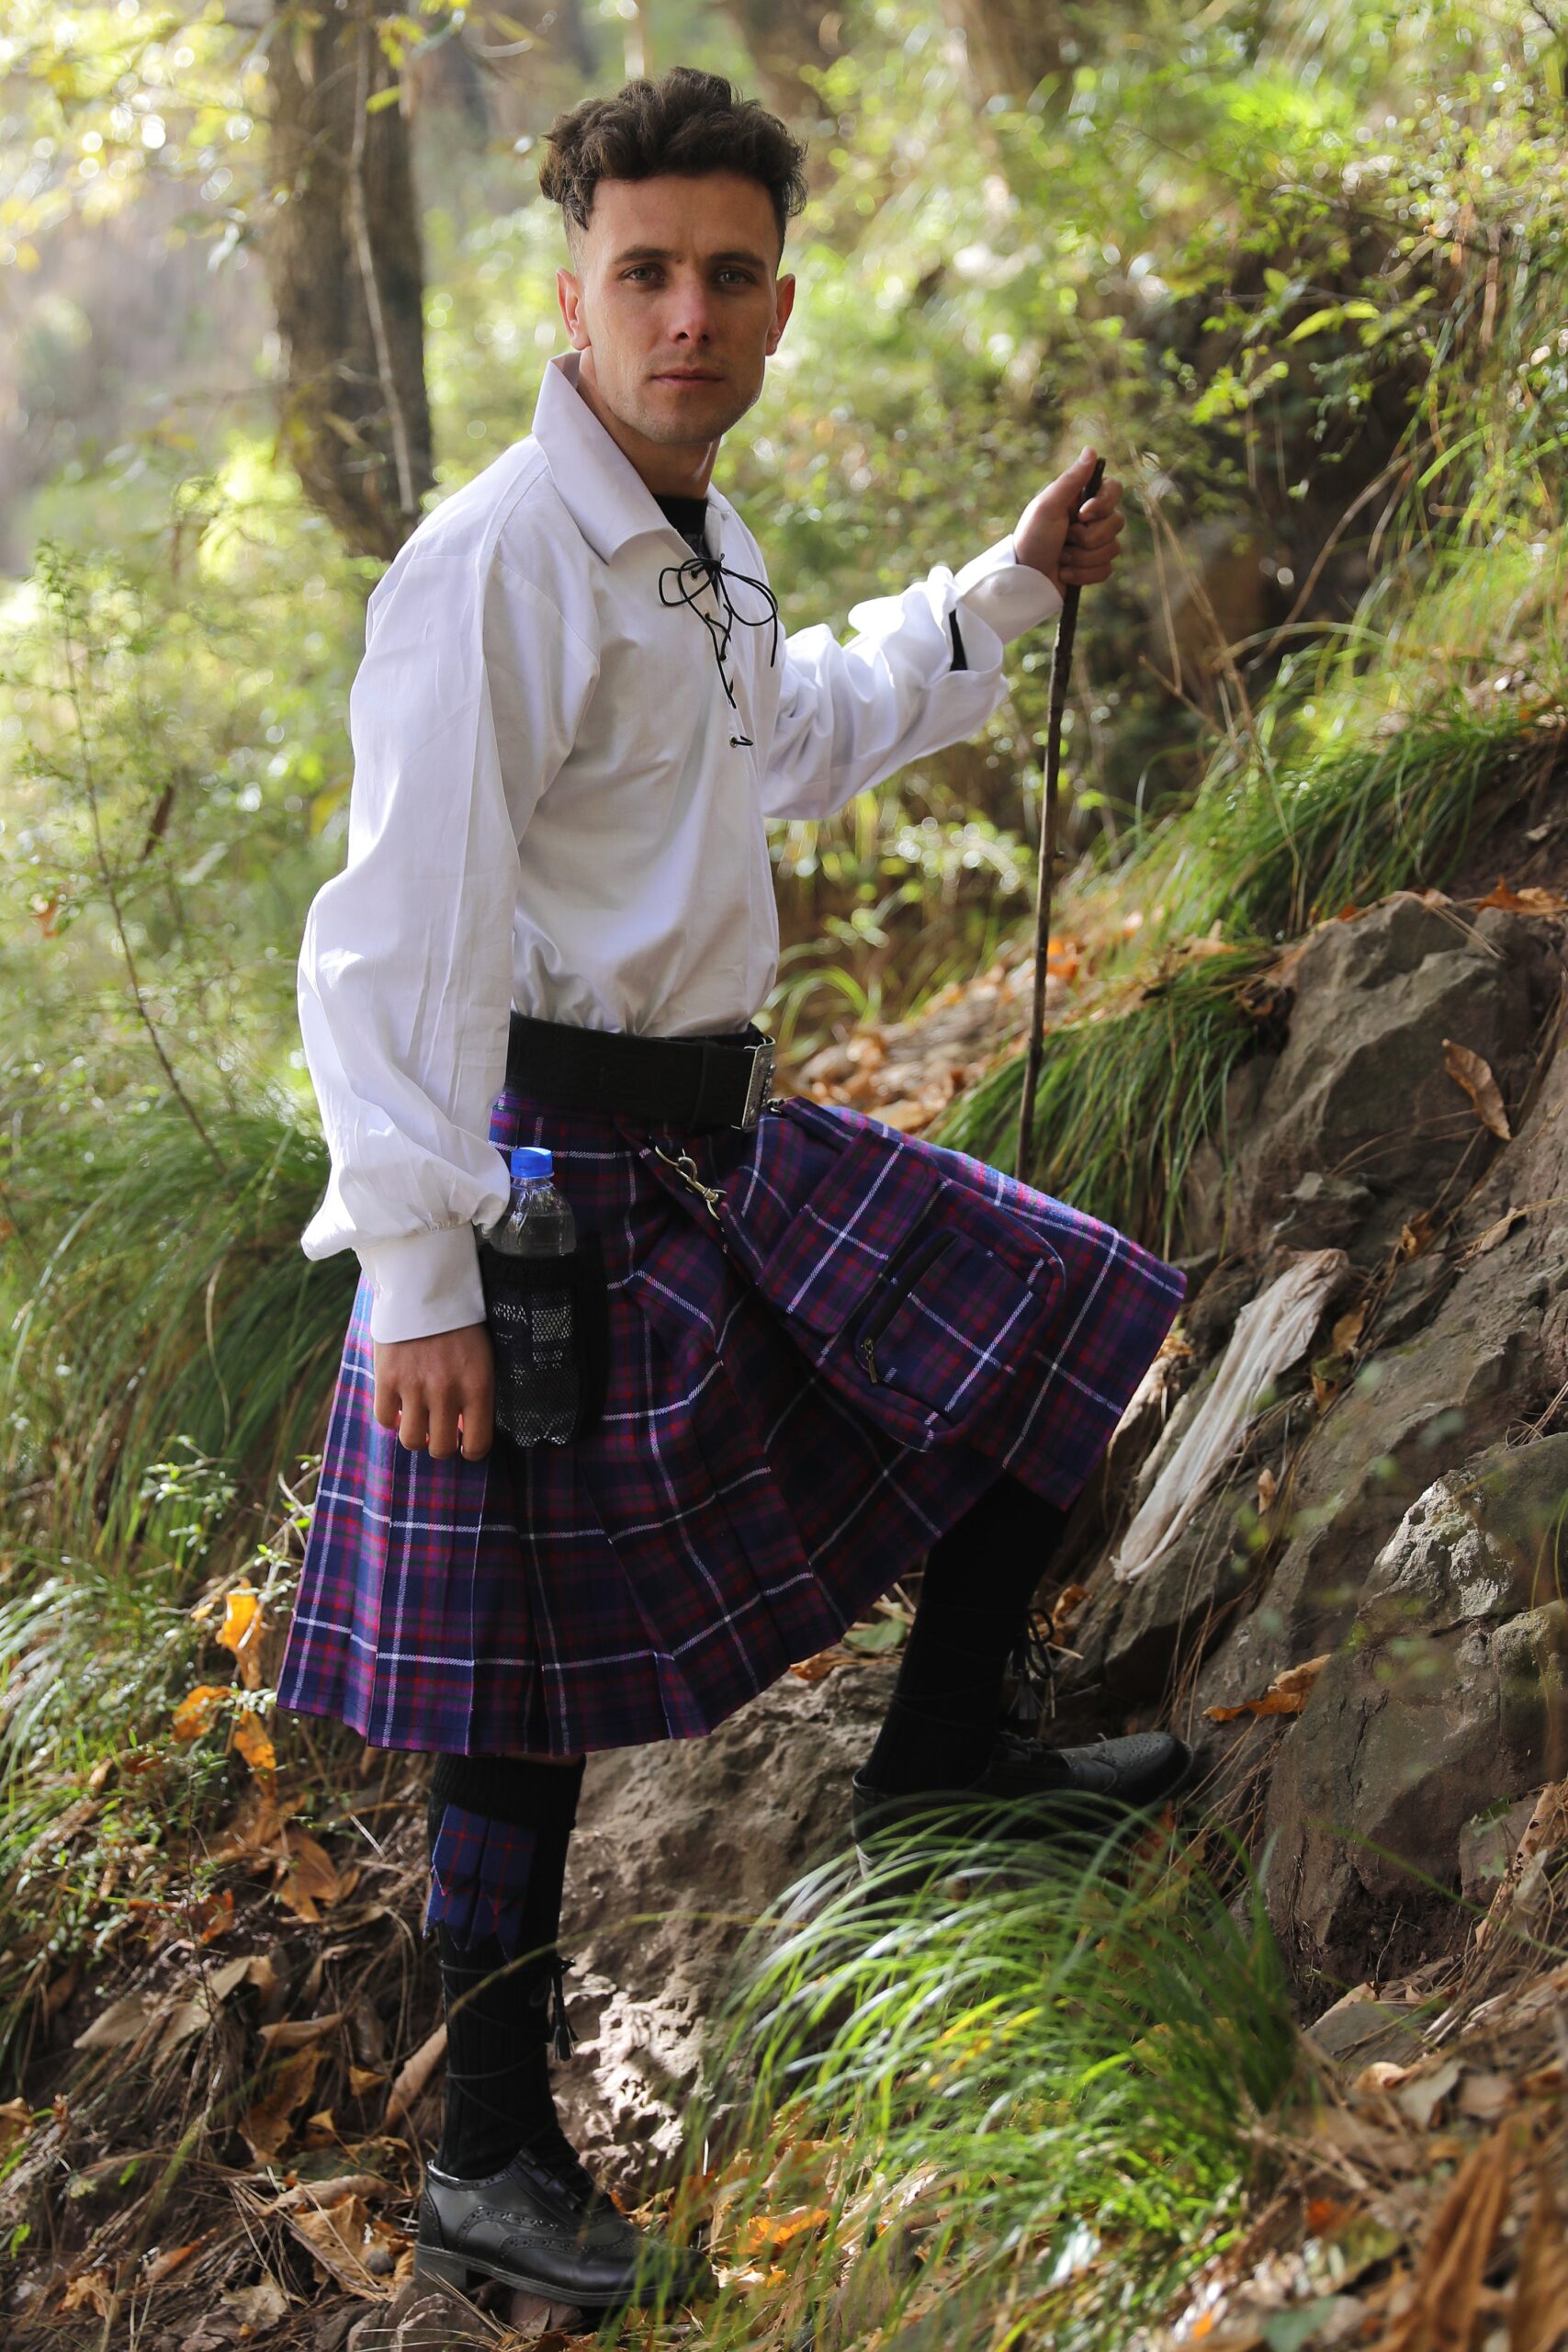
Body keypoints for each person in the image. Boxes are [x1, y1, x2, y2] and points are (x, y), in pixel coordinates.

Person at [278, 65, 1190, 2315]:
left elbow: (787, 729)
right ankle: (488, 2158)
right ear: (570, 295)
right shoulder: (494, 564)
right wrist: (420, 1270)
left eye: (725, 274)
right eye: (643, 274)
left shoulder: (697, 539)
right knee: (517, 1686)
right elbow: (391, 938)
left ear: (778, 302)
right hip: (533, 1175)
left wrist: (998, 590)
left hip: (713, 1143)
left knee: (1048, 1310)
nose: (684, 313)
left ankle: (943, 1764)